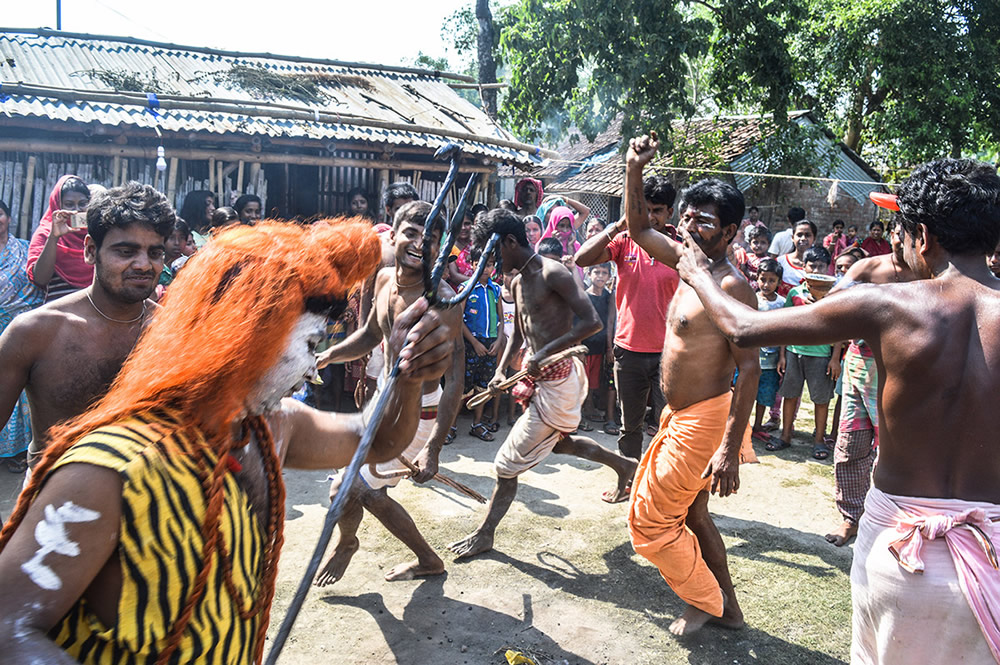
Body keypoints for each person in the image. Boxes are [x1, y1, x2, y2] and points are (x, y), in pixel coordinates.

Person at [0, 218, 452, 663]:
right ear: (249, 338)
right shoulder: (107, 472)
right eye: (311, 347)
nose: (315, 371)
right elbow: (9, 631)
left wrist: (406, 373)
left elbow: (377, 441)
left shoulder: (272, 426)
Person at [676, 157, 1000, 664]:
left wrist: (698, 274)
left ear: (924, 236)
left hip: (898, 557)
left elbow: (742, 327)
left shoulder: (889, 306)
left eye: (902, 231)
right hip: (992, 553)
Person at [619, 134, 759, 637]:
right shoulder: (687, 264)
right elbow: (637, 227)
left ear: (731, 231)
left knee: (652, 523)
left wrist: (727, 447)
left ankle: (704, 602)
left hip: (705, 422)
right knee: (695, 518)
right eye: (690, 215)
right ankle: (732, 613)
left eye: (706, 219)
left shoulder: (730, 285)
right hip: (677, 416)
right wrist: (634, 167)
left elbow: (751, 370)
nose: (692, 225)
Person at [448, 209, 638, 559]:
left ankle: (485, 534)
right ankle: (626, 467)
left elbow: (592, 322)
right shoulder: (517, 281)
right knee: (559, 445)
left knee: (506, 464)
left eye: (494, 255)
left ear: (509, 242)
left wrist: (545, 352)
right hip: (538, 380)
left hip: (560, 380)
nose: (492, 263)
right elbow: (520, 333)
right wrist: (502, 370)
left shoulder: (555, 274)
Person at [313, 201, 465, 587]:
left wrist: (435, 446)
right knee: (340, 491)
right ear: (393, 235)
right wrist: (330, 355)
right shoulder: (382, 279)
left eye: (429, 238)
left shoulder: (441, 300)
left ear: (440, 247)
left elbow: (456, 380)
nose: (418, 244)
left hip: (418, 413)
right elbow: (370, 334)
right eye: (410, 233)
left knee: (359, 488)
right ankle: (349, 543)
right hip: (382, 400)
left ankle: (428, 560)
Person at [1, 182, 173, 472]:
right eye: (126, 251)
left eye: (155, 253)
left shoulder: (170, 331)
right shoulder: (34, 333)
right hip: (54, 505)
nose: (144, 265)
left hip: (150, 501)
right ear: (91, 251)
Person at [575, 175, 679, 467]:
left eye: (657, 210)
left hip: (669, 354)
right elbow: (582, 259)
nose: (650, 216)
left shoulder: (680, 246)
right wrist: (618, 226)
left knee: (669, 427)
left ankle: (661, 485)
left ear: (669, 211)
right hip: (629, 351)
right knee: (629, 426)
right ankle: (627, 478)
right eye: (644, 209)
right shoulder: (623, 240)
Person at [823, 224, 916, 547]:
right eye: (896, 229)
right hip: (857, 368)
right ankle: (850, 517)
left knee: (894, 452)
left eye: (906, 230)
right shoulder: (869, 267)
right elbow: (832, 301)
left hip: (898, 373)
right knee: (850, 446)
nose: (897, 237)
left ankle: (890, 522)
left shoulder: (929, 276)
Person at [767, 246, 842, 458]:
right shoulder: (795, 293)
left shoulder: (835, 296)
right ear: (804, 267)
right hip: (793, 351)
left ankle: (819, 440)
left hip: (821, 355)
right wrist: (782, 355)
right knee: (789, 395)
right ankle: (786, 435)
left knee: (821, 399)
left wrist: (835, 358)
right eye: (812, 265)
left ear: (828, 268)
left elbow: (839, 329)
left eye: (821, 266)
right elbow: (786, 325)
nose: (816, 269)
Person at [0, 200, 45, 473]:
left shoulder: (25, 250)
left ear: (8, 217)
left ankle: (17, 451)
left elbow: (38, 285)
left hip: (20, 327)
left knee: (19, 389)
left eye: (0, 214)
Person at [27, 176, 93, 302]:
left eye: (82, 204)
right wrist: (54, 237)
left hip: (96, 310)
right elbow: (40, 279)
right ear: (57, 205)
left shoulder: (97, 232)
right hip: (59, 312)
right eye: (69, 205)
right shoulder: (45, 233)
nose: (76, 210)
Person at [462, 248, 505, 440]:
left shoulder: (496, 289)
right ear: (472, 265)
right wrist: (474, 342)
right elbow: (458, 319)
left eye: (489, 265)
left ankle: (477, 424)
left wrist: (498, 340)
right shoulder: (466, 288)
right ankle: (451, 426)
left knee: (483, 386)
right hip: (471, 343)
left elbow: (501, 320)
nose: (486, 269)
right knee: (462, 387)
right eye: (481, 264)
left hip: (490, 344)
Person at [581, 263, 618, 436]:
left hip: (600, 347)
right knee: (581, 382)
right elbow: (579, 322)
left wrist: (609, 346)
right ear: (589, 274)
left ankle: (589, 408)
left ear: (610, 276)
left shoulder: (609, 296)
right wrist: (579, 346)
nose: (600, 276)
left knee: (593, 382)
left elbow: (610, 321)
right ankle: (578, 415)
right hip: (585, 347)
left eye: (605, 273)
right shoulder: (584, 296)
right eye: (596, 272)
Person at [750, 258, 784, 442]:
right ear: (757, 278)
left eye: (772, 280)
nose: (766, 284)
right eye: (763, 279)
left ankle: (757, 426)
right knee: (746, 391)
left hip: (771, 360)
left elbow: (785, 333)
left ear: (779, 282)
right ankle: (742, 425)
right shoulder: (751, 299)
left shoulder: (782, 303)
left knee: (765, 393)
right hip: (751, 357)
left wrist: (782, 357)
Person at [775, 219, 818, 295]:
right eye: (799, 235)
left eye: (807, 235)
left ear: (814, 239)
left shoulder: (819, 266)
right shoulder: (780, 262)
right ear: (792, 238)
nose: (803, 238)